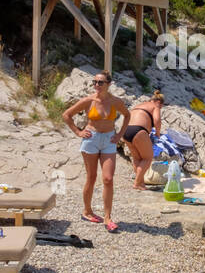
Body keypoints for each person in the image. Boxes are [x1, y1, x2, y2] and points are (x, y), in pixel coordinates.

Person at [62, 72, 130, 233]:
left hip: (109, 140)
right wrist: (78, 132)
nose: (97, 85)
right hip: (91, 139)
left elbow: (127, 115)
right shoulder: (88, 100)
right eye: (95, 82)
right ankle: (87, 211)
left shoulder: (115, 101)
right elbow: (66, 115)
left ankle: (107, 217)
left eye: (100, 82)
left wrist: (120, 135)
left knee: (108, 178)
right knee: (91, 177)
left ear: (108, 84)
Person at [122, 90, 165, 190]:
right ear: (159, 102)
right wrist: (158, 133)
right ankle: (137, 183)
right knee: (147, 158)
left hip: (126, 130)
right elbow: (157, 120)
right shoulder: (155, 106)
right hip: (138, 130)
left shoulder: (140, 105)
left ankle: (141, 183)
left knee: (137, 158)